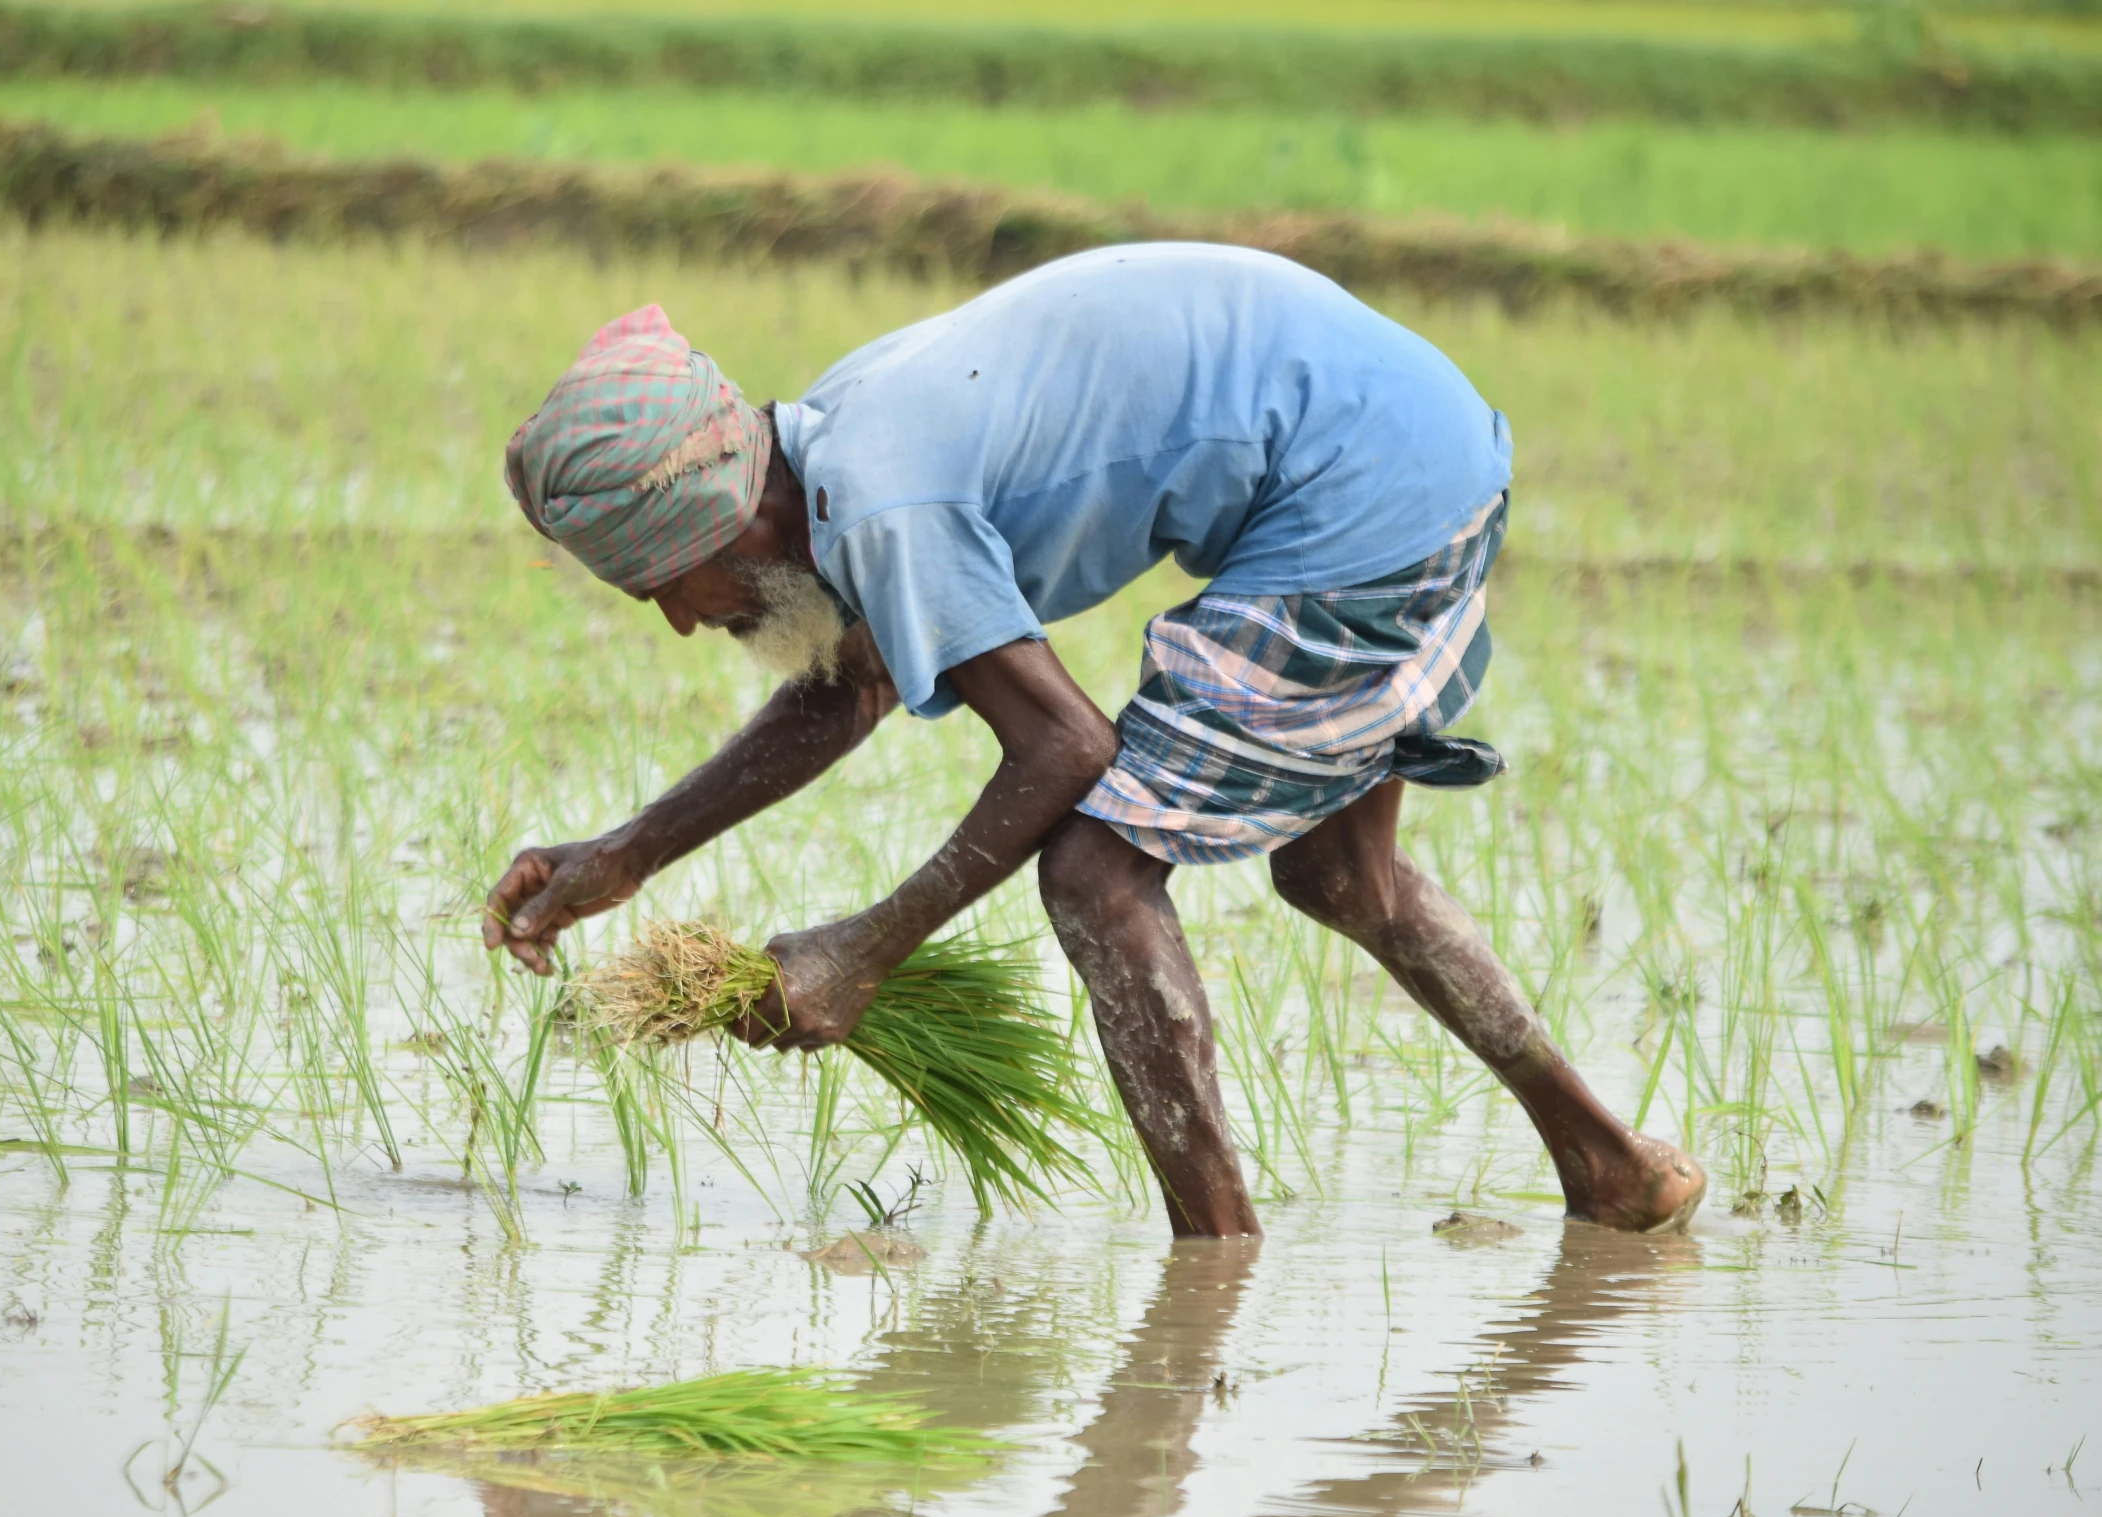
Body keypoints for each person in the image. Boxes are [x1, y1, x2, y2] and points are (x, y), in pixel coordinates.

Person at [483, 243, 1705, 1238]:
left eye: (672, 582)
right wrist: (625, 855)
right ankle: (1610, 1166)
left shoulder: (886, 500)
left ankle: (1215, 1258)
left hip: (1359, 486)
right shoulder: (824, 448)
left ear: (735, 517)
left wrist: (864, 949)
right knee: (1343, 877)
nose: (684, 622)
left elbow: (1064, 746)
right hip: (1398, 440)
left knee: (1095, 869)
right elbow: (846, 689)